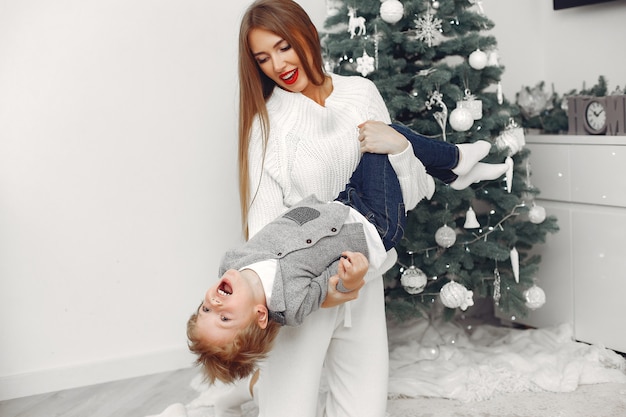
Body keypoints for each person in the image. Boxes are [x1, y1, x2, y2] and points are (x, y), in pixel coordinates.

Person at [211, 1, 511, 416]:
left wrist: (401, 146)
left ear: (306, 35)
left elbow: (403, 195)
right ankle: (260, 385)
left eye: (284, 47)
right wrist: (317, 291)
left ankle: (455, 163)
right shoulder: (268, 124)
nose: (278, 65)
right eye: (263, 58)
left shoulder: (360, 93)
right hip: (302, 291)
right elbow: (263, 231)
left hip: (362, 273)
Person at [186, 123, 511, 384]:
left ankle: (456, 173)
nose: (214, 305)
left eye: (205, 310)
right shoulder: (290, 303)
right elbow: (331, 291)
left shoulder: (231, 262)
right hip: (375, 226)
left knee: (382, 134)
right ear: (259, 316)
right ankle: (455, 160)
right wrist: (351, 277)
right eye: (225, 317)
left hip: (343, 204)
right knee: (384, 138)